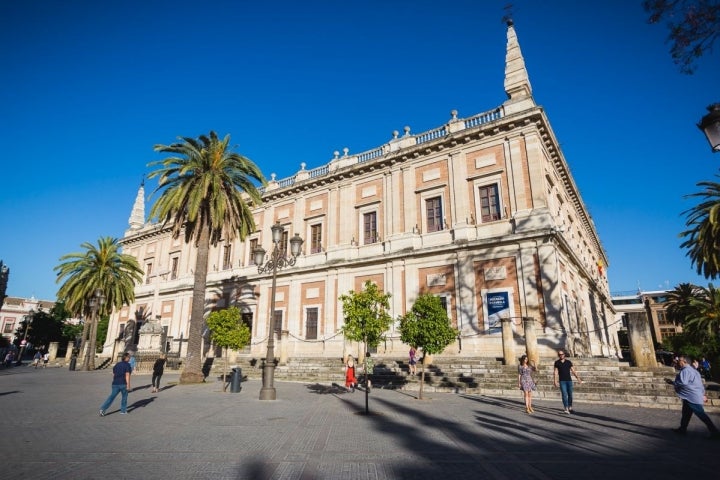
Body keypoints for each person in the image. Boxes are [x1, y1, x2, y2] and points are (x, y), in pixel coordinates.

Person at [666, 355, 719, 438]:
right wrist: (702, 394)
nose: (677, 361)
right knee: (686, 413)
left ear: (684, 362)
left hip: (691, 396)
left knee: (701, 415)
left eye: (679, 360)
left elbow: (683, 383)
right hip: (692, 396)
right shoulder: (694, 370)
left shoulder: (685, 371)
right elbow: (700, 384)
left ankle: (715, 432)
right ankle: (682, 429)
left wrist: (672, 382)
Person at [553, 349, 583, 413]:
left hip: (569, 381)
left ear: (564, 354)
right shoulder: (557, 362)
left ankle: (570, 407)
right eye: (559, 354)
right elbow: (555, 372)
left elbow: (573, 371)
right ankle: (566, 408)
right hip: (562, 381)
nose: (561, 355)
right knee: (564, 394)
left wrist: (578, 378)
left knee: (570, 395)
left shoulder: (568, 362)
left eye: (562, 354)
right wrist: (555, 381)